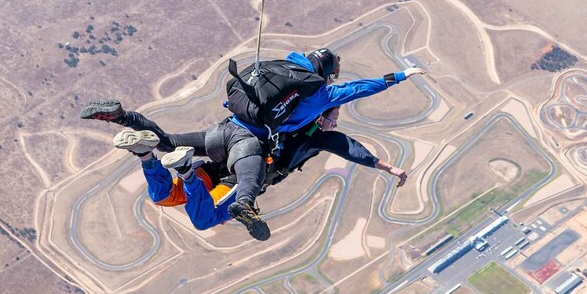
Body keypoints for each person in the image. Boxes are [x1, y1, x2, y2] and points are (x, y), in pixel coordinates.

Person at [81, 48, 423, 238]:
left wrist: (387, 167)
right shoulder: (319, 105)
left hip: (223, 133)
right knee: (233, 195)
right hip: (244, 151)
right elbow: (346, 136)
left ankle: (132, 131)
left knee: (164, 182)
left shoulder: (285, 69)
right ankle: (188, 173)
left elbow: (343, 138)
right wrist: (401, 77)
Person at [113, 107, 407, 236]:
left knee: (164, 191)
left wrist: (127, 118)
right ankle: (186, 171)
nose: (334, 125)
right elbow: (348, 147)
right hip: (237, 179)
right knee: (205, 220)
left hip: (220, 156)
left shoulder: (280, 117)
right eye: (333, 119)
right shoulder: (316, 135)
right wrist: (387, 167)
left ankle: (143, 151)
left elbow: (347, 145)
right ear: (322, 117)